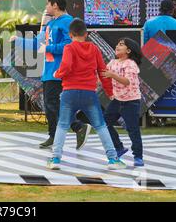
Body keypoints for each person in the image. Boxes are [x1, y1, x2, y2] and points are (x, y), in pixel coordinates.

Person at [11, 0, 91, 149]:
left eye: (48, 4)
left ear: (55, 5)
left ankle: (77, 127)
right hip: (48, 71)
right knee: (49, 105)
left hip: (60, 71)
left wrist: (49, 48)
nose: (46, 7)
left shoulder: (68, 22)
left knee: (52, 104)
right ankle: (56, 134)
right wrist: (18, 41)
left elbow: (70, 45)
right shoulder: (49, 25)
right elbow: (37, 44)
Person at [47, 18, 126, 170]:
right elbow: (103, 72)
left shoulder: (69, 48)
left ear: (70, 34)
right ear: (86, 34)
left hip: (69, 92)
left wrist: (58, 73)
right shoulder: (94, 48)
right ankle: (113, 159)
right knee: (101, 126)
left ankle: (55, 159)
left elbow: (66, 67)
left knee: (62, 125)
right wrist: (109, 92)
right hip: (89, 93)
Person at [103, 38, 144, 167]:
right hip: (117, 99)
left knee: (133, 129)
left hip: (131, 101)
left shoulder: (130, 64)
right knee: (104, 124)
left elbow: (127, 81)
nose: (117, 46)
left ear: (128, 50)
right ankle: (119, 147)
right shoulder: (113, 62)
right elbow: (103, 76)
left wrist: (112, 75)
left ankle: (138, 156)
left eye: (121, 44)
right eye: (117, 44)